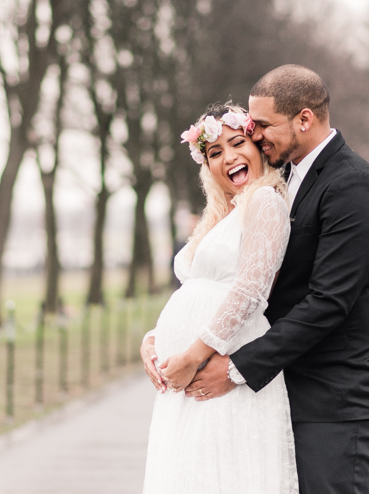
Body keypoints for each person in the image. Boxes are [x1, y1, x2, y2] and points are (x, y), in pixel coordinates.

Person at [179, 65, 369, 494]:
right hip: (289, 391)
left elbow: (328, 302)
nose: (255, 134)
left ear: (304, 119)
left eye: (262, 125)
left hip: (339, 398)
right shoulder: (281, 178)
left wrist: (238, 368)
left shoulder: (355, 186)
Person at [140, 102, 298, 493]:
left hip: (216, 365)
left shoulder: (265, 203)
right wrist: (154, 338)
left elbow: (249, 292)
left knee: (224, 476)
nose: (228, 157)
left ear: (258, 147)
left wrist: (193, 356)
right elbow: (194, 290)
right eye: (214, 152)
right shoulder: (220, 217)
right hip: (186, 380)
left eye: (237, 143)